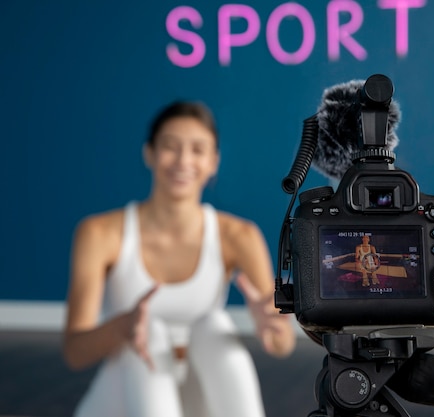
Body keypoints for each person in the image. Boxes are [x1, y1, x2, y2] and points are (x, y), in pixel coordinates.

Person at [63, 100, 296, 417]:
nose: (184, 160)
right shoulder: (100, 233)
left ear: (214, 161)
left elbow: (282, 347)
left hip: (203, 399)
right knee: (150, 334)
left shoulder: (239, 236)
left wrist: (273, 327)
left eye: (198, 149)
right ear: (150, 154)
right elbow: (74, 352)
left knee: (215, 325)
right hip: (125, 393)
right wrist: (125, 326)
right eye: (171, 147)